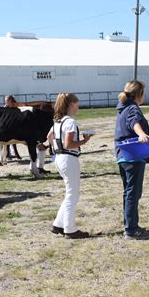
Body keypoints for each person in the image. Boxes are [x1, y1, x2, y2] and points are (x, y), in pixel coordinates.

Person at [47, 93, 92, 239]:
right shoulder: (70, 122)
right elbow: (68, 144)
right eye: (77, 104)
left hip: (59, 158)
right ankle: (70, 229)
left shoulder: (57, 121)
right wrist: (84, 141)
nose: (78, 107)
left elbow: (49, 137)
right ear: (71, 105)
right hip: (69, 158)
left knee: (70, 193)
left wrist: (55, 148)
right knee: (73, 195)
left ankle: (58, 224)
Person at [115, 81, 149, 240]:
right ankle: (130, 229)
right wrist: (141, 134)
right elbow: (134, 122)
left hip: (123, 156)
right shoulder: (132, 108)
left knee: (129, 192)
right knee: (133, 192)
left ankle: (131, 224)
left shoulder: (122, 108)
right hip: (133, 156)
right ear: (139, 94)